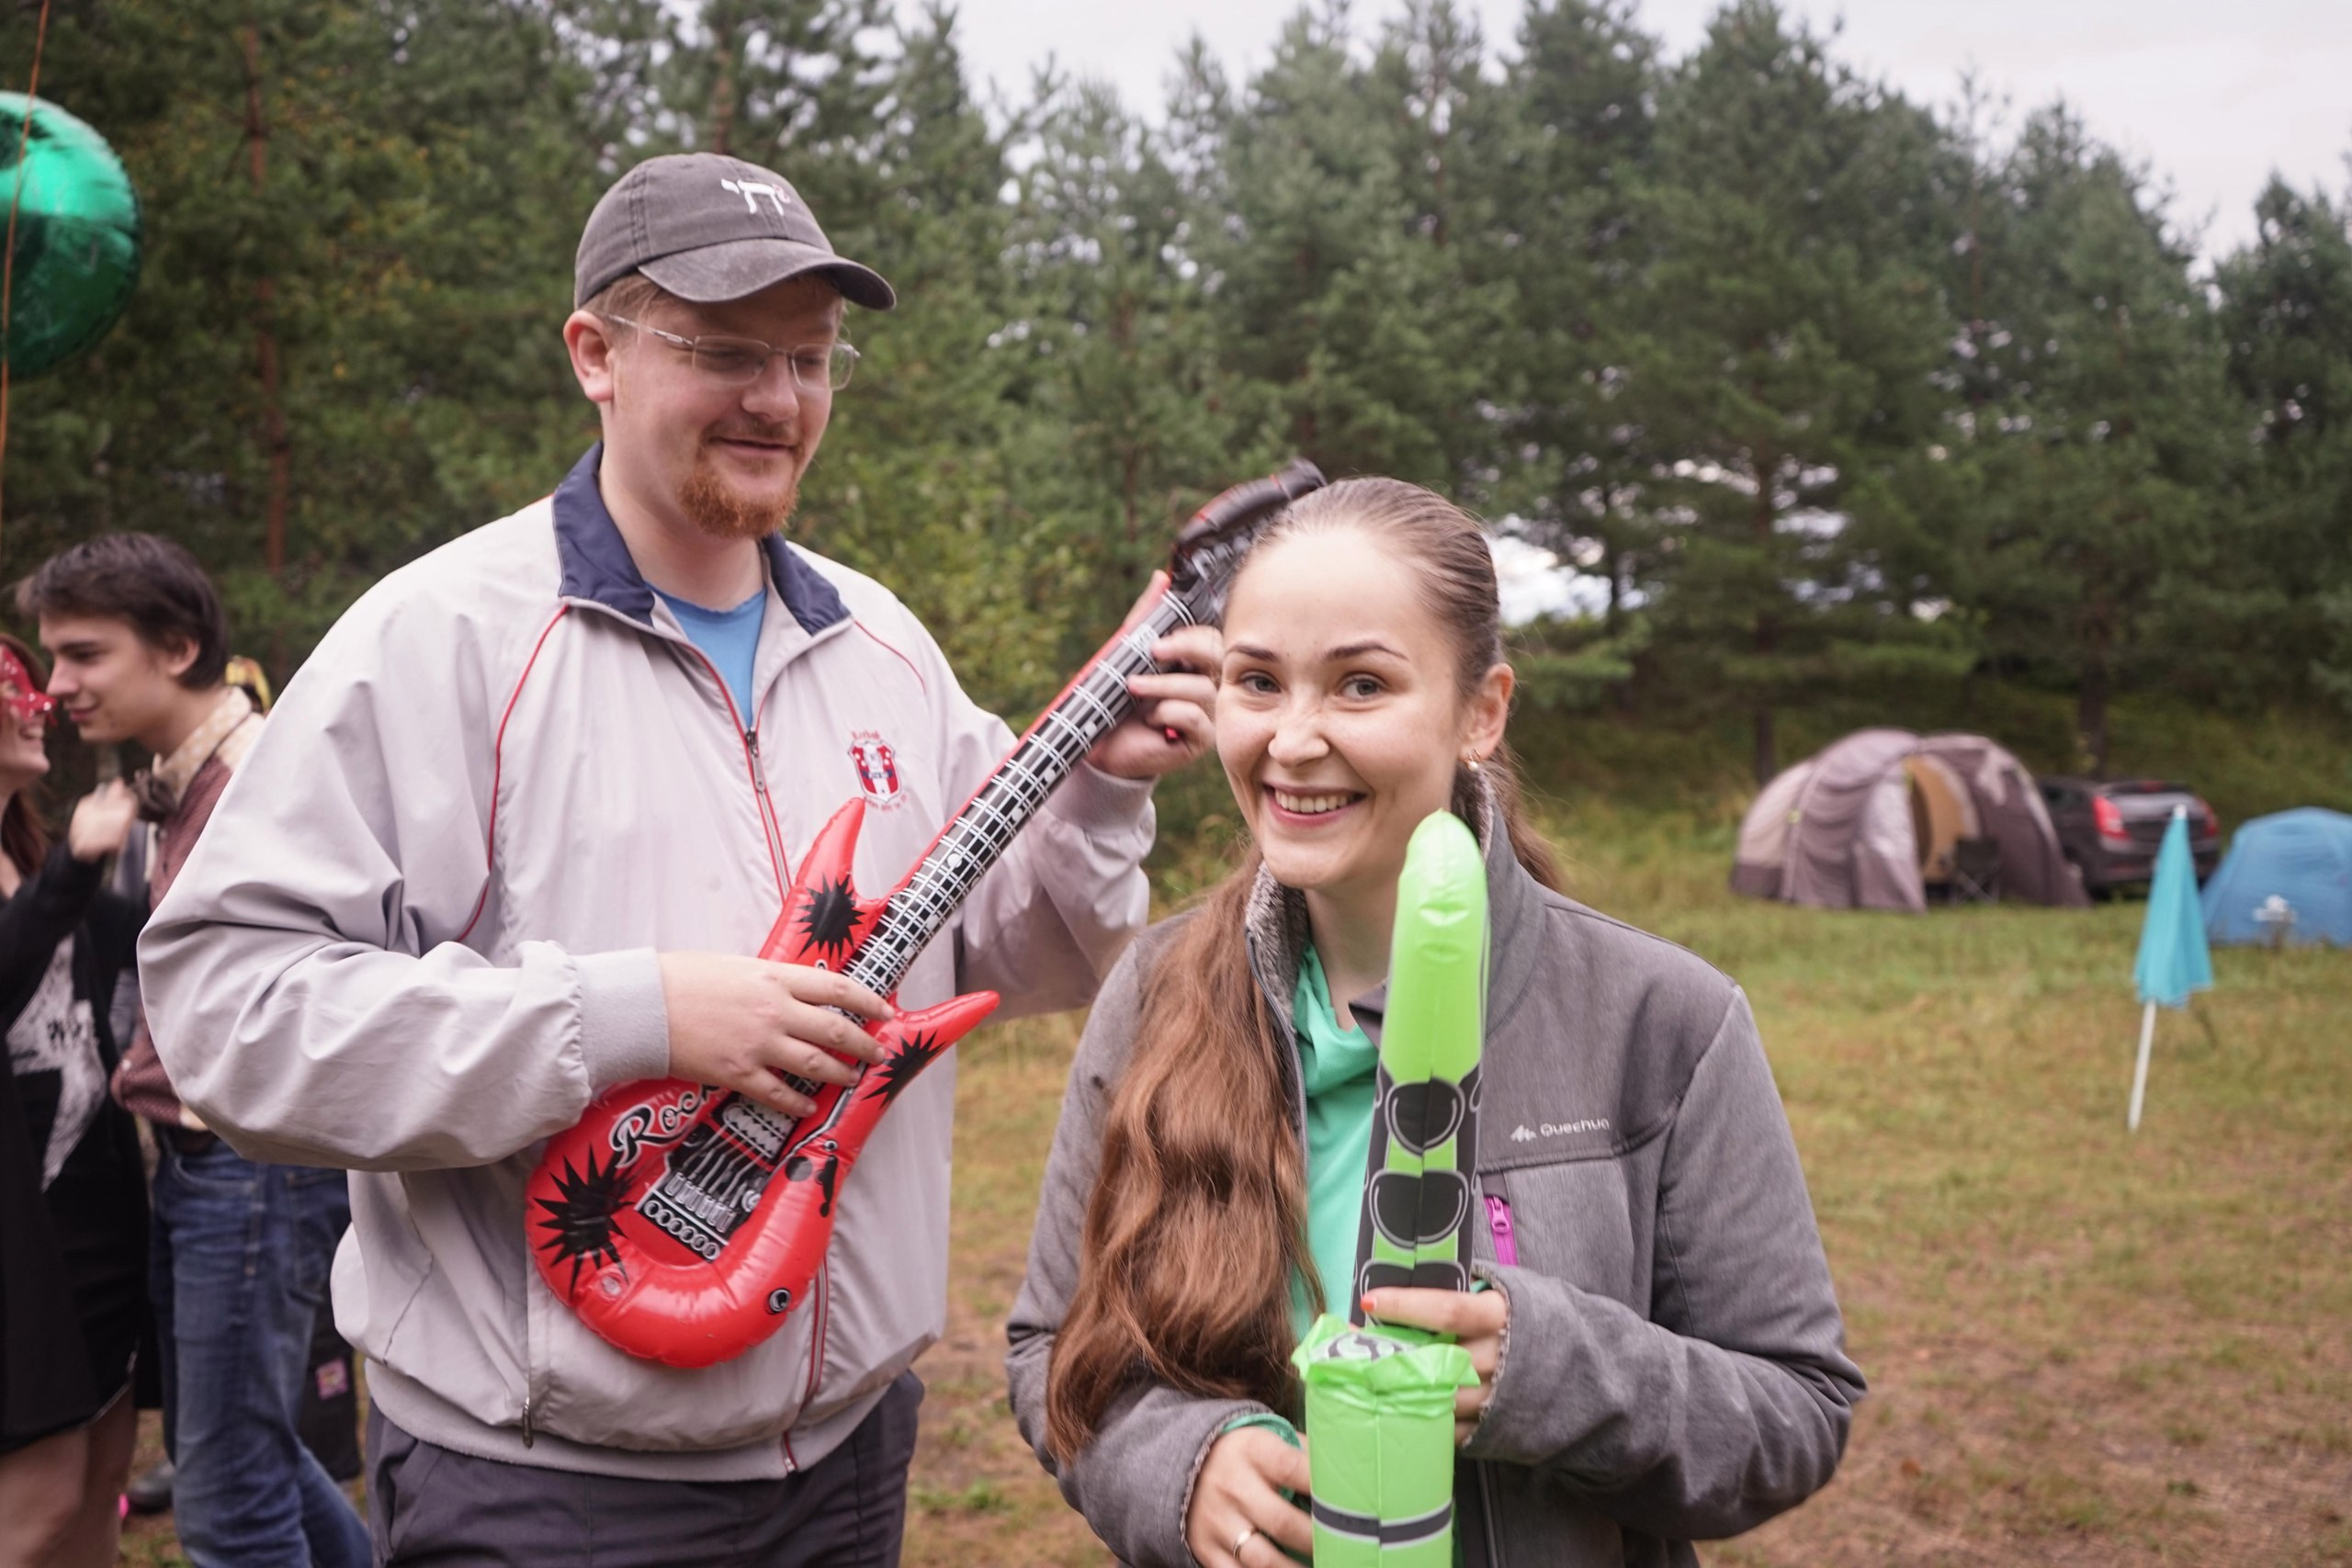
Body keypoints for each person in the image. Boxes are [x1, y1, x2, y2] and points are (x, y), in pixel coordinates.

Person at [138, 151, 1216, 1566]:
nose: (777, 397)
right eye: (724, 350)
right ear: (594, 352)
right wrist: (631, 1017)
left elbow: (1026, 954)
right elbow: (229, 1010)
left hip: (847, 1455)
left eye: (811, 358)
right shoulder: (438, 640)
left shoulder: (882, 646)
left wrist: (1098, 798)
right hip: (541, 1486)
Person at [1006, 479, 1864, 1568]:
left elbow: (1794, 1410)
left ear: (1481, 712)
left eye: (1361, 684)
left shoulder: (1660, 1019)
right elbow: (1050, 1350)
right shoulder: (1152, 993)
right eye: (1256, 681)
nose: (1294, 740)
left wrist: (1545, 1369)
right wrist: (1179, 1467)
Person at [22, 534, 370, 1568]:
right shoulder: (181, 784)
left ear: (176, 648)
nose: (56, 686)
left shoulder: (265, 778)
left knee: (224, 1504)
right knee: (248, 1458)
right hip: (200, 1166)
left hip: (248, 1164)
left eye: (84, 655)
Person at [0, 633, 145, 1567]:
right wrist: (72, 875)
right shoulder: (57, 873)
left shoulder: (34, 854)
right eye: (12, 687)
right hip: (19, 1265)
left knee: (97, 1492)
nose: (36, 703)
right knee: (39, 1498)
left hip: (97, 1236)